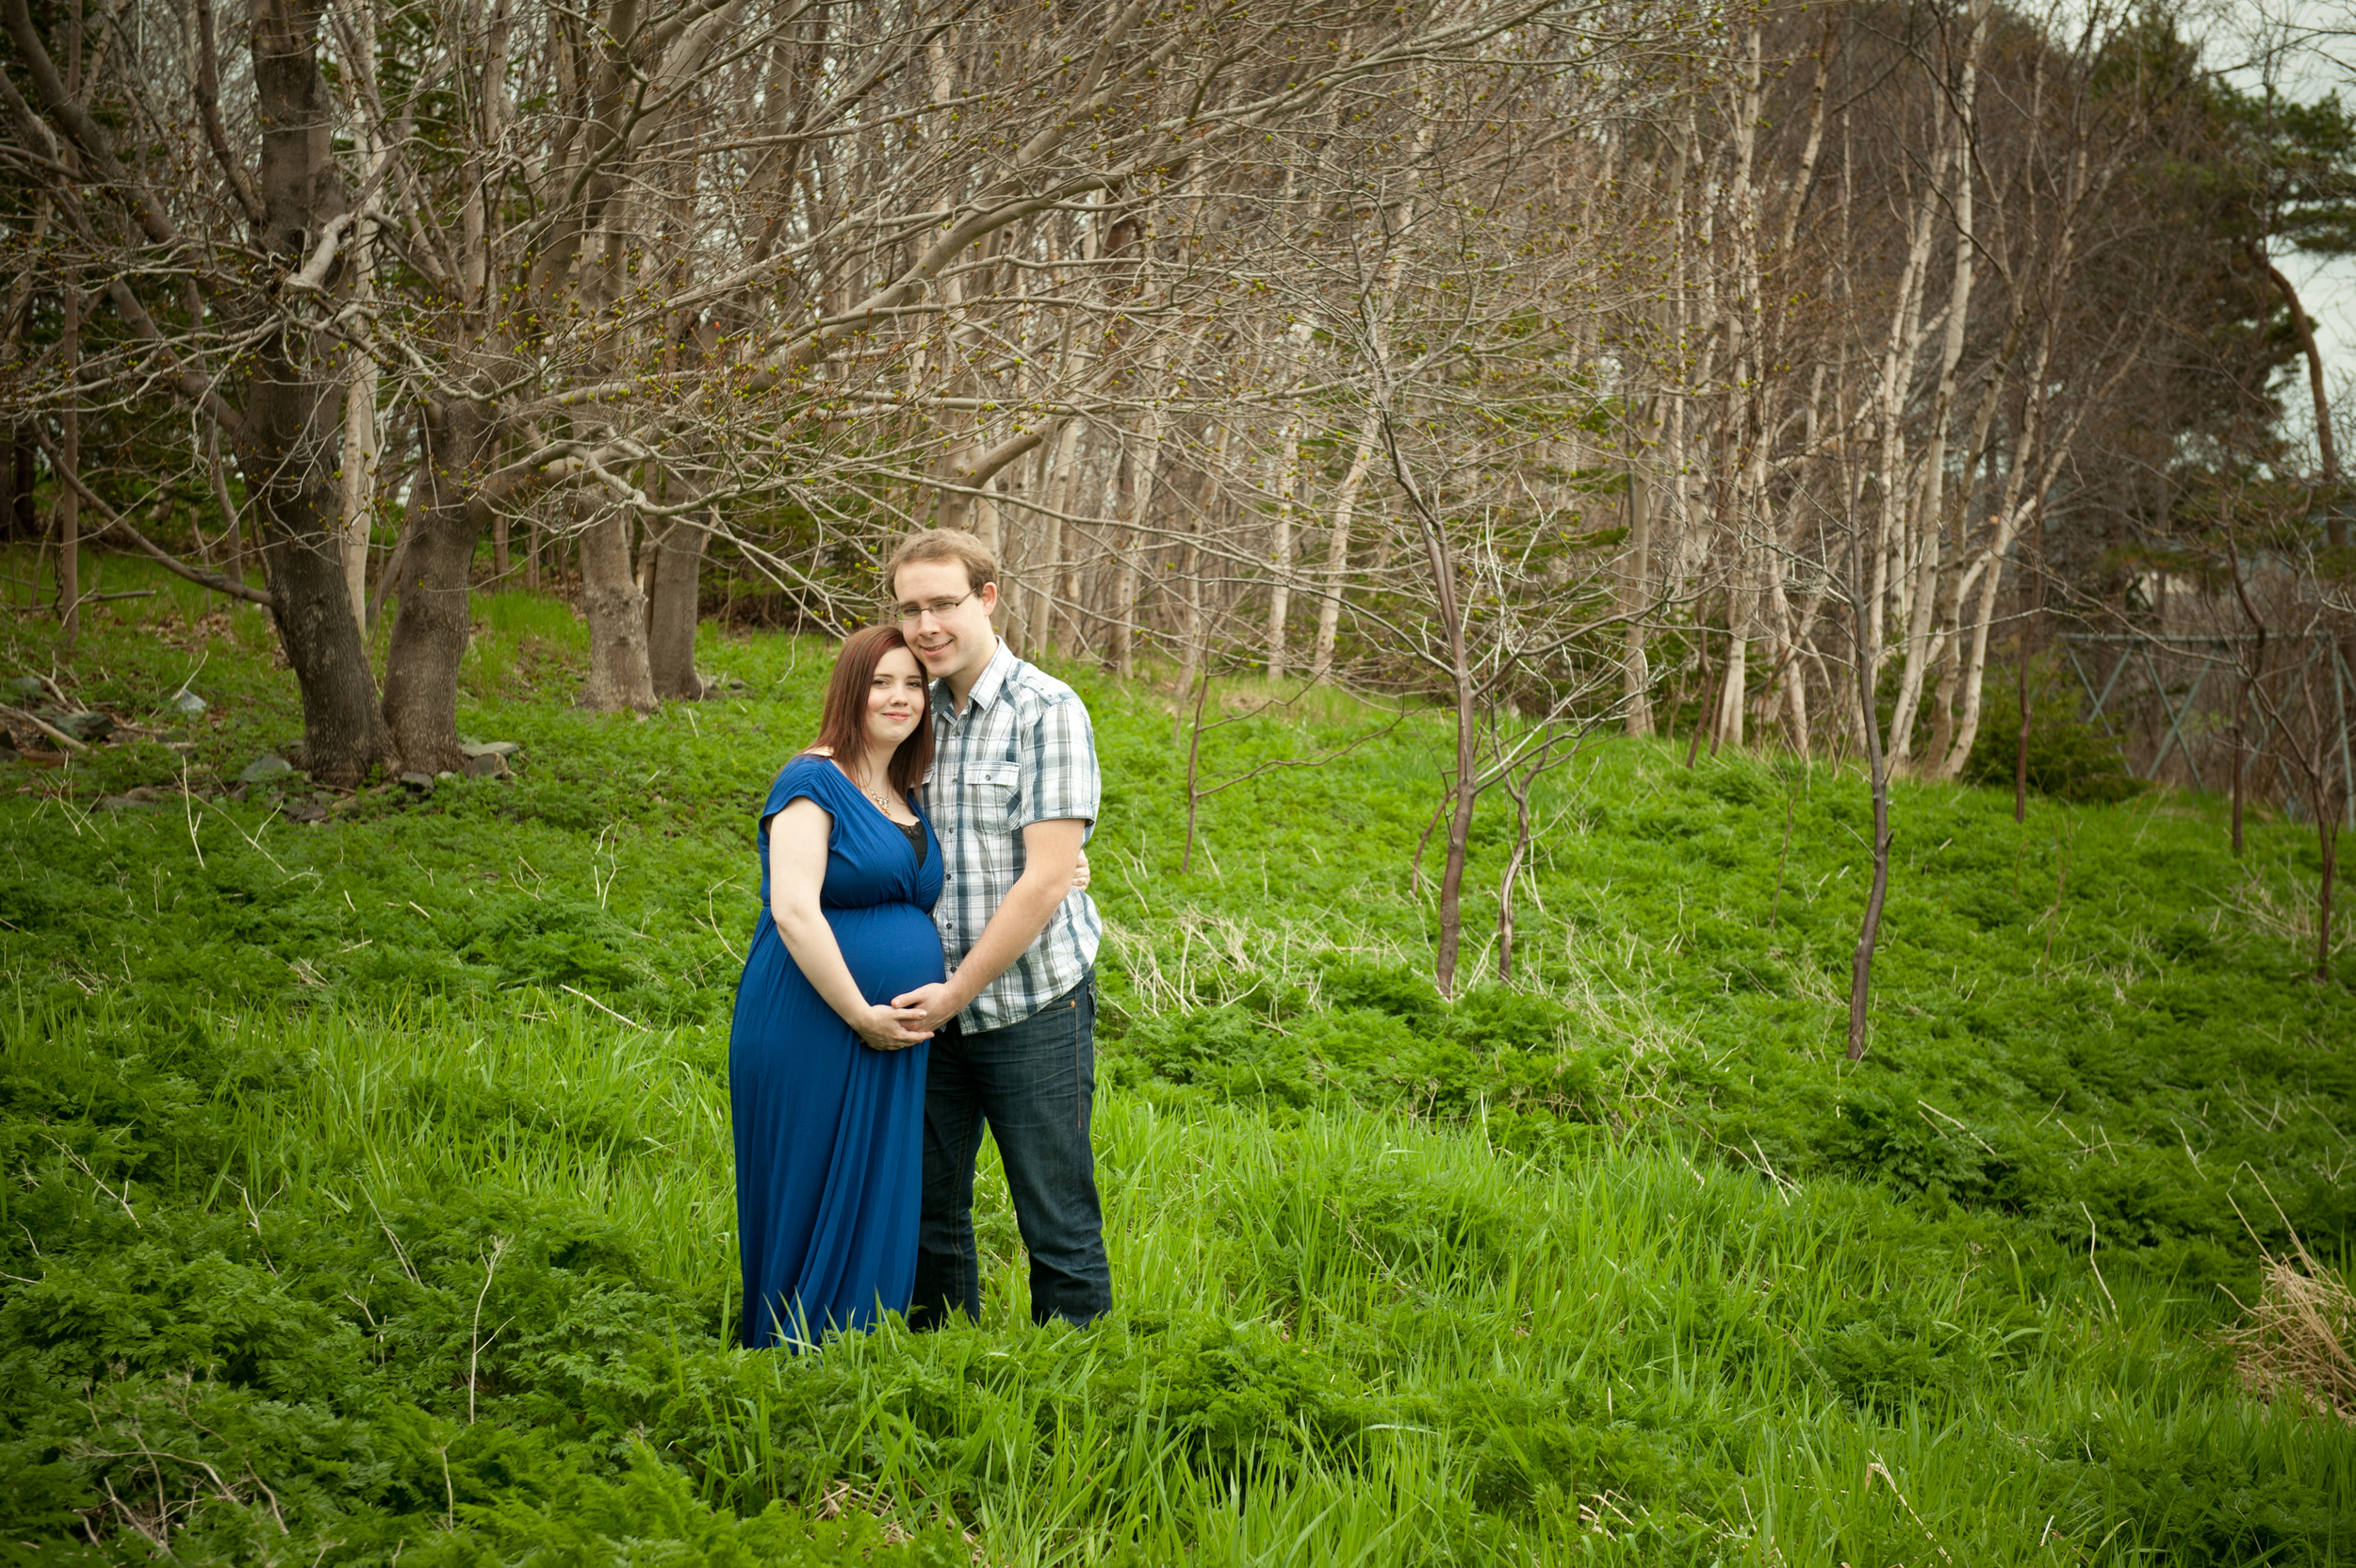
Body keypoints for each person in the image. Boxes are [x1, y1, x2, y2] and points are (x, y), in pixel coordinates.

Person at [885, 529, 1112, 1330]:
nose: (926, 625)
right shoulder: (908, 711)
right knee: (925, 1215)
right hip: (926, 1007)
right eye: (910, 608)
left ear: (986, 598)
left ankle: (1076, 1387)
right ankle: (945, 1372)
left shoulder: (1046, 709)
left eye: (943, 603)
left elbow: (1047, 875)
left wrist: (957, 993)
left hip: (1031, 1006)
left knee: (1056, 1219)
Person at [729, 626, 941, 1349]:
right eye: (882, 681)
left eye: (914, 684)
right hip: (815, 1019)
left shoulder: (904, 788)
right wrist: (860, 1013)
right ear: (851, 689)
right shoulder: (811, 779)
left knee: (874, 1184)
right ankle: (789, 1352)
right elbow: (792, 907)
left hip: (889, 1034)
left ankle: (855, 1348)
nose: (899, 698)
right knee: (812, 1180)